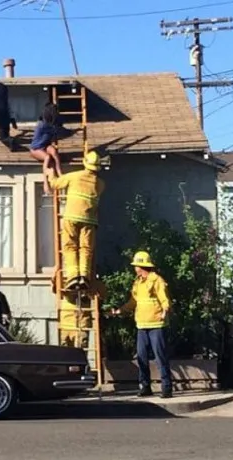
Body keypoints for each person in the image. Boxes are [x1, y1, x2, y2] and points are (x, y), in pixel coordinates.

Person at [111, 251, 173, 399]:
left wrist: (165, 310)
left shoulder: (156, 280)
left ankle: (166, 388)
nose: (135, 268)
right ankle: (145, 387)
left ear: (142, 266)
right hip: (141, 325)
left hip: (156, 324)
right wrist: (121, 310)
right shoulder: (138, 282)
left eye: (136, 265)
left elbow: (164, 298)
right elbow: (134, 301)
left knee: (160, 357)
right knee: (142, 357)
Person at [43, 150, 105, 291]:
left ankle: (72, 277)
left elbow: (55, 184)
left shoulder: (74, 177)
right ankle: (84, 276)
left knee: (70, 247)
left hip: (71, 217)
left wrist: (49, 173)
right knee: (86, 249)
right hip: (90, 220)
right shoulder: (100, 184)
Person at [31, 103, 63, 194]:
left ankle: (60, 172)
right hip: (36, 148)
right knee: (47, 157)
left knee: (54, 152)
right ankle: (45, 182)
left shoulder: (54, 124)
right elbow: (50, 130)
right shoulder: (42, 125)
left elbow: (59, 130)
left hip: (45, 146)